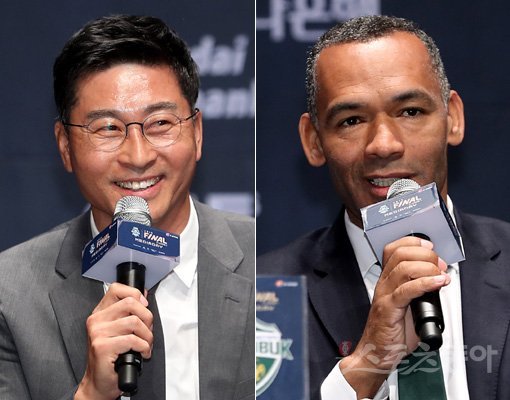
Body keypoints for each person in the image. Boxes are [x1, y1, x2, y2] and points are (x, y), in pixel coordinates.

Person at [0, 15, 254, 400]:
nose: (138, 156)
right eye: (108, 128)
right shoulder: (11, 293)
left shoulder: (265, 261)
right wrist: (90, 394)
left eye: (160, 123)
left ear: (197, 133)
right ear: (65, 146)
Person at [258, 15, 510, 400]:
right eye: (352, 120)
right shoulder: (262, 294)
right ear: (313, 141)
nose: (384, 144)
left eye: (410, 112)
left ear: (453, 118)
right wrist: (367, 365)